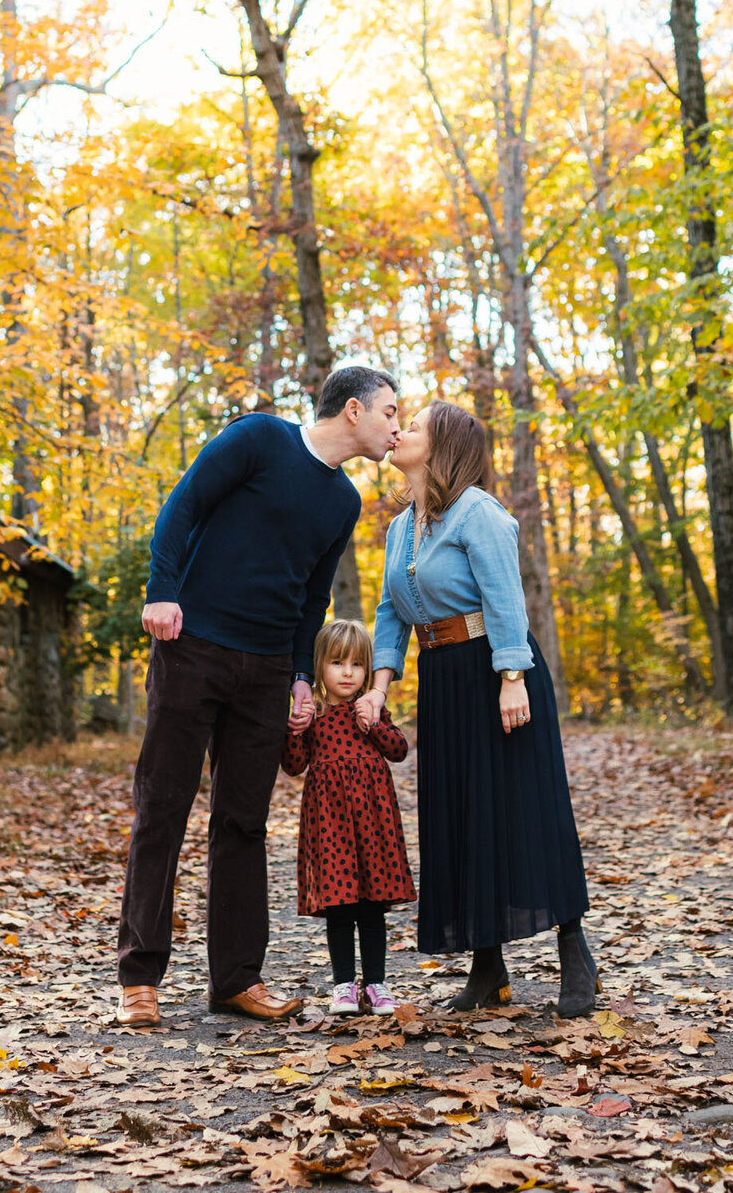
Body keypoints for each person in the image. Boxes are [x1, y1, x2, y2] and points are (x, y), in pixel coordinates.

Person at [115, 365, 401, 1031]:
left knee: (242, 824)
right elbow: (182, 507)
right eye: (391, 411)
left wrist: (302, 675)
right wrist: (162, 592)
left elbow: (312, 599)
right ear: (354, 411)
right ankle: (138, 978)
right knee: (163, 807)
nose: (397, 425)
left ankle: (236, 979)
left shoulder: (345, 503)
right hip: (194, 647)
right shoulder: (258, 439)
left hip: (268, 669)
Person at [358, 401, 597, 1016]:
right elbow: (391, 614)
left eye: (413, 427)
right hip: (443, 679)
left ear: (442, 448)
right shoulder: (400, 527)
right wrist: (380, 686)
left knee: (525, 806)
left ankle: (575, 950)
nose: (400, 431)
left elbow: (503, 596)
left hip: (497, 671)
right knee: (460, 814)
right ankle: (487, 968)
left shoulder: (479, 512)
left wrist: (513, 676)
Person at [281, 618, 415, 1017]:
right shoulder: (314, 711)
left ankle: (376, 984)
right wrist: (293, 730)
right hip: (330, 823)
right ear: (320, 665)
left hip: (373, 822)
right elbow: (293, 765)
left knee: (372, 903)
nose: (347, 672)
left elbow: (399, 750)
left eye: (357, 664)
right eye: (338, 662)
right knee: (340, 904)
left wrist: (373, 724)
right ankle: (342, 986)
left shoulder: (371, 708)